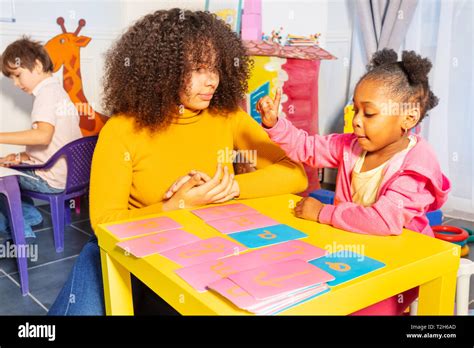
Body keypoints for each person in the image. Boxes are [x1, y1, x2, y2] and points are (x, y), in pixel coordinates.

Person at [48, 9, 307, 315]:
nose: (211, 81)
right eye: (198, 69)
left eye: (216, 68)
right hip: (134, 254)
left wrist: (228, 188)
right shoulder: (121, 130)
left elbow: (296, 175)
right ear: (162, 70)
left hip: (206, 251)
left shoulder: (229, 117)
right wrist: (175, 206)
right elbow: (103, 223)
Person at [256, 48, 451, 315]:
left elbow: (384, 221)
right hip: (352, 249)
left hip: (401, 264)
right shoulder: (351, 145)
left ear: (408, 117)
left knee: (363, 306)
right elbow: (307, 148)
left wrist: (323, 212)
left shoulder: (417, 163)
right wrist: (276, 123)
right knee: (299, 287)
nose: (356, 121)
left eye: (369, 114)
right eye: (355, 110)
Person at [0, 37, 82, 240]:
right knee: (9, 164)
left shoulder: (45, 95)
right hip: (71, 176)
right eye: (11, 78)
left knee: (3, 180)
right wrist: (21, 157)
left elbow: (43, 136)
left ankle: (21, 232)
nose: (16, 84)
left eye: (18, 75)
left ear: (36, 65)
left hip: (51, 180)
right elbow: (54, 145)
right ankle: (30, 216)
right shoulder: (58, 92)